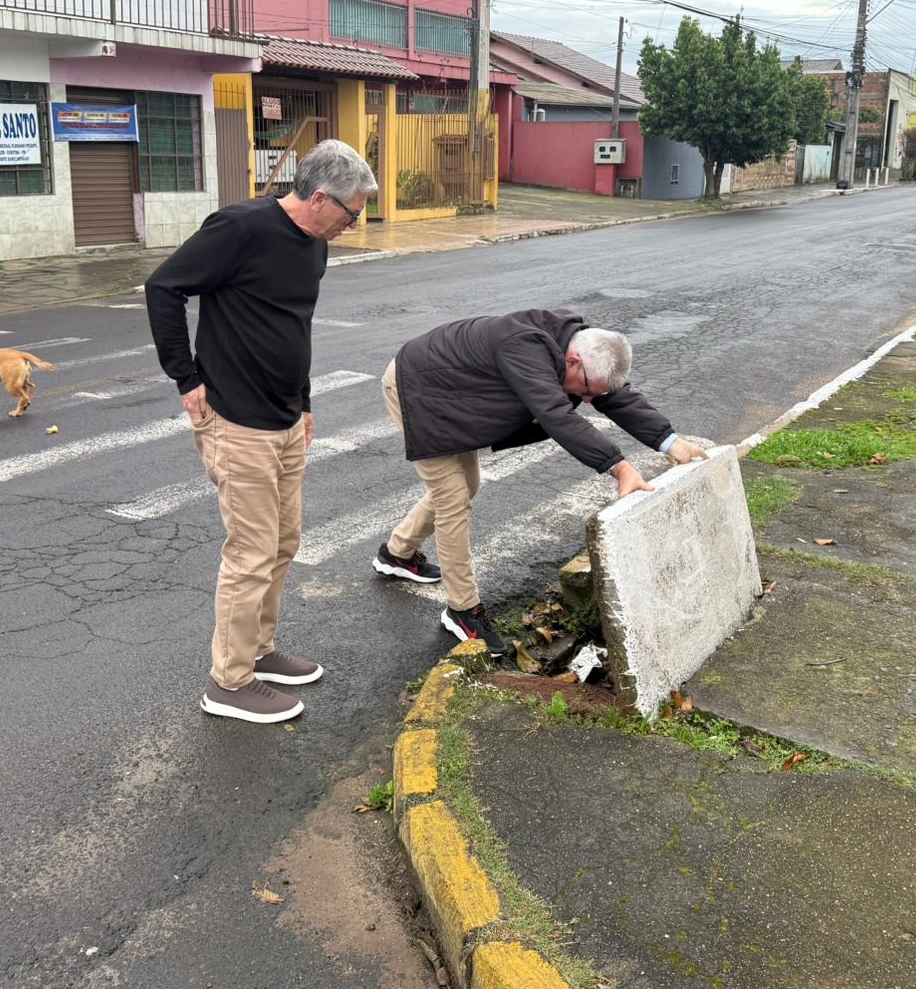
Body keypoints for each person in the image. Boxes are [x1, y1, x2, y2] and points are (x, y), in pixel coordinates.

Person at [146, 139, 375, 724]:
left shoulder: (315, 244)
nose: (357, 222)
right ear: (320, 198)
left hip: (284, 418)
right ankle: (229, 680)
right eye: (353, 211)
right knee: (250, 553)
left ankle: (260, 650)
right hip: (236, 419)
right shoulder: (240, 228)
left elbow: (292, 325)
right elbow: (163, 288)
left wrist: (302, 402)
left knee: (282, 542)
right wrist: (185, 377)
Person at [372, 309, 707, 656]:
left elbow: (612, 395)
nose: (588, 401)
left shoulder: (579, 350)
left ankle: (397, 554)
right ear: (573, 362)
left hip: (459, 393)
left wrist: (671, 442)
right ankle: (462, 609)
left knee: (466, 485)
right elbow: (555, 414)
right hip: (419, 390)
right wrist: (619, 468)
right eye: (588, 392)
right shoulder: (524, 348)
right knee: (452, 495)